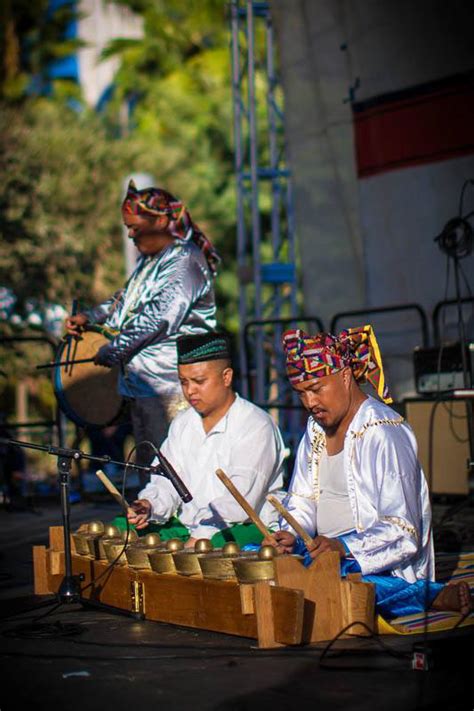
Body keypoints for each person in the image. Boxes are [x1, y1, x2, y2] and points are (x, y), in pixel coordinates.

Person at [263, 326, 472, 618]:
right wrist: (290, 535)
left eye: (316, 389)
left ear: (345, 376)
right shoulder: (314, 429)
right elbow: (302, 500)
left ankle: (424, 595)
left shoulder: (383, 432)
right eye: (301, 393)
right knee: (258, 559)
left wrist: (343, 546)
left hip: (372, 565)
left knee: (333, 579)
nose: (309, 403)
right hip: (323, 555)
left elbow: (404, 531)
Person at [65, 181, 219, 486]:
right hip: (145, 385)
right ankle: (157, 525)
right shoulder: (150, 262)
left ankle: (183, 531)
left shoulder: (183, 261)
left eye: (135, 227)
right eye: (127, 228)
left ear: (161, 222)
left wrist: (113, 349)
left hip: (173, 385)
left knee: (176, 468)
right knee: (151, 471)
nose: (130, 234)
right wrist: (91, 316)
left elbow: (157, 318)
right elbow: (125, 301)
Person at [125, 331, 286, 547]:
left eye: (199, 381)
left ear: (226, 377)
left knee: (208, 546)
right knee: (121, 529)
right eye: (183, 382)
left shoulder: (256, 425)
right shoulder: (183, 423)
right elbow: (167, 479)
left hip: (242, 526)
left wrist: (197, 539)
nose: (190, 390)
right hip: (191, 524)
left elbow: (239, 502)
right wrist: (150, 504)